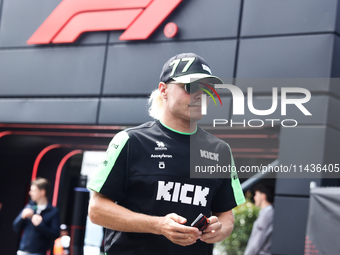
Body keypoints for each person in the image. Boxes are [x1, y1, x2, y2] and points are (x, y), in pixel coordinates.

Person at [87, 52, 246, 255]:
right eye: (189, 86)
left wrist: (218, 230)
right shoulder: (130, 140)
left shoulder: (220, 150)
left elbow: (226, 216)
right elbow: (97, 210)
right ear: (164, 90)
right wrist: (158, 225)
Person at [13, 178, 60, 255]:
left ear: (42, 192)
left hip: (38, 252)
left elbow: (55, 235)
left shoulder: (53, 211)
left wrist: (40, 225)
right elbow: (15, 227)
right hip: (22, 251)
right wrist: (21, 217)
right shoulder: (29, 206)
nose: (30, 193)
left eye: (33, 191)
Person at [244, 184, 275, 255]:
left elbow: (257, 241)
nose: (254, 197)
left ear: (263, 196)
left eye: (256, 195)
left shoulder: (267, 214)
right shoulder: (269, 212)